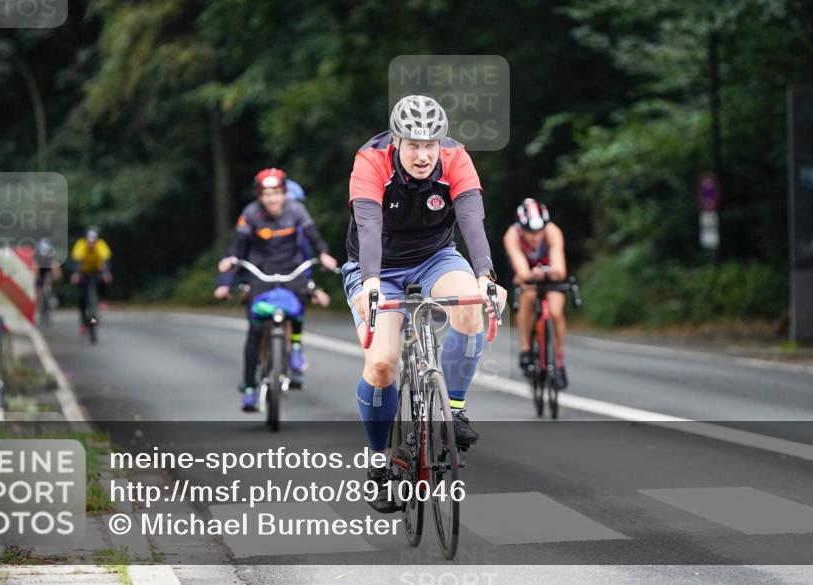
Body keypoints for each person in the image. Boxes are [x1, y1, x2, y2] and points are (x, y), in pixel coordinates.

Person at [341, 94, 506, 513]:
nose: (422, 154)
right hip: (377, 265)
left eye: (430, 144)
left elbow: (471, 220)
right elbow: (369, 226)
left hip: (436, 257)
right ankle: (378, 464)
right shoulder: (371, 159)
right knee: (381, 365)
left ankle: (453, 410)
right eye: (413, 144)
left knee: (469, 303)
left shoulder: (455, 158)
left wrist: (486, 277)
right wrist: (372, 285)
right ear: (396, 141)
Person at [214, 168, 338, 411]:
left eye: (277, 193)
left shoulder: (296, 211)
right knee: (255, 329)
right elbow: (236, 249)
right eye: (266, 194)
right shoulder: (250, 214)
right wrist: (226, 276)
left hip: (291, 270)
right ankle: (249, 388)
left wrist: (324, 255)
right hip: (261, 272)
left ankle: (296, 349)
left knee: (299, 303)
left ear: (284, 193)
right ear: (259, 195)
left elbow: (314, 239)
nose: (272, 199)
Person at [502, 198, 568, 390]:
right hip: (527, 274)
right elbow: (522, 270)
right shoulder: (512, 235)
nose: (535, 237)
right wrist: (529, 275)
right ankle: (525, 349)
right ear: (520, 227)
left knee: (555, 312)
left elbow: (560, 269)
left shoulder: (553, 231)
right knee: (527, 295)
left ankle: (560, 361)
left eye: (539, 231)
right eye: (530, 232)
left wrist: (547, 272)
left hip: (550, 274)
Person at [70, 227, 112, 333]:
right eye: (89, 241)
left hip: (96, 271)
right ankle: (84, 323)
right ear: (86, 240)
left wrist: (106, 273)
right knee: (82, 298)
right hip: (83, 272)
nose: (91, 244)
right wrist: (76, 274)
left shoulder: (101, 244)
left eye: (93, 242)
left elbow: (105, 260)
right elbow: (77, 260)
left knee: (104, 280)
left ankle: (102, 300)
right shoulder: (80, 244)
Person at [34, 238, 62, 315]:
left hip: (48, 274)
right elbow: (35, 269)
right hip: (39, 274)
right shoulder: (36, 256)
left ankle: (50, 298)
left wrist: (54, 278)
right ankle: (38, 308)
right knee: (38, 292)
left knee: (48, 285)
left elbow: (56, 270)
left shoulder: (52, 256)